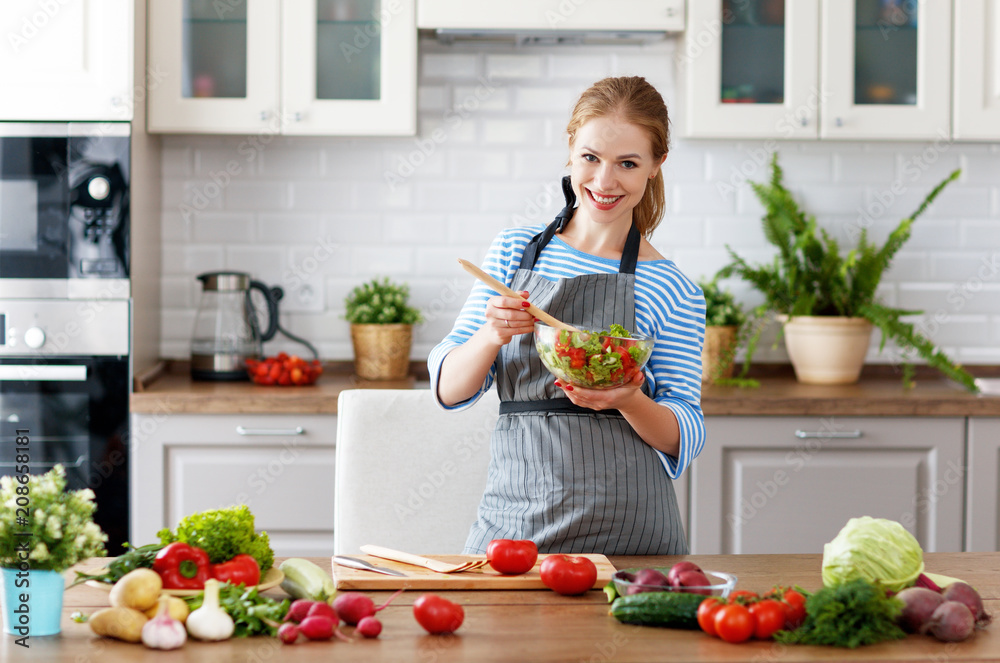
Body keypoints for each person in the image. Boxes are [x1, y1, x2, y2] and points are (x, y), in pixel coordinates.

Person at [428, 76, 706, 556]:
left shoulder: (672, 287)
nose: (604, 181)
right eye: (591, 158)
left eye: (628, 163)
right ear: (571, 151)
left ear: (656, 166)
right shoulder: (516, 254)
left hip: (633, 536)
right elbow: (448, 389)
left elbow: (687, 434)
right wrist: (491, 334)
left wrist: (629, 400)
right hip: (517, 528)